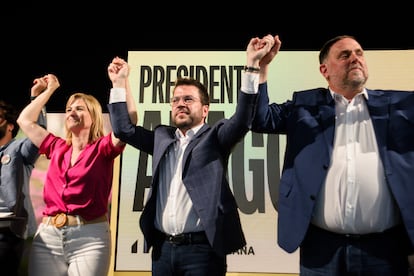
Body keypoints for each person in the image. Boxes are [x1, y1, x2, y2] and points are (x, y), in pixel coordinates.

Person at [106, 35, 275, 276]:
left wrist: (251, 65)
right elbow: (124, 130)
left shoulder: (215, 136)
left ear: (205, 110)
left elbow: (242, 120)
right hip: (162, 250)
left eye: (188, 99)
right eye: (175, 100)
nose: (180, 104)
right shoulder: (162, 137)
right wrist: (118, 83)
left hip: (202, 253)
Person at [250, 34, 414, 275]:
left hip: (386, 250)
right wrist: (258, 67)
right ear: (325, 70)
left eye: (359, 53)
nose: (355, 59)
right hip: (321, 251)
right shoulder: (304, 105)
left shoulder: (403, 105)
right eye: (345, 55)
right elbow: (259, 119)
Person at [16, 72, 137, 276]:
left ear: (93, 117)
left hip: (90, 238)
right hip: (48, 236)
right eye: (69, 109)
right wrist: (49, 90)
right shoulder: (56, 146)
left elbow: (128, 125)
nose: (71, 112)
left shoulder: (103, 148)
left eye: (79, 108)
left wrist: (121, 82)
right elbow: (25, 120)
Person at [0, 76, 47, 276]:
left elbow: (39, 136)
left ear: (10, 125)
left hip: (7, 230)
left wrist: (37, 97)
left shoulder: (18, 149)